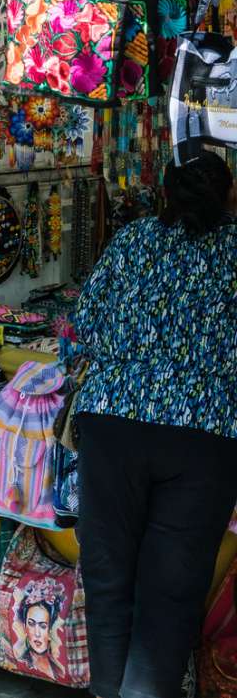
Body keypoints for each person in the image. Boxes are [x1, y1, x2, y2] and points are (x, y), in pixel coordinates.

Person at [66, 150, 237, 698]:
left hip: (114, 423)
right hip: (204, 433)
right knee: (170, 595)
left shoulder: (135, 240)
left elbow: (83, 323)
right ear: (227, 198)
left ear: (165, 192)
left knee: (110, 581)